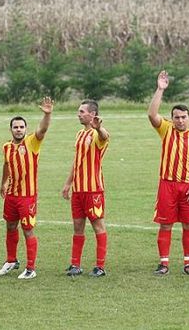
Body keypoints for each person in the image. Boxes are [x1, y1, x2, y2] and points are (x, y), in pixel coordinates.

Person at [148, 70, 189, 276]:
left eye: (183, 117)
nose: (180, 121)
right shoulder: (166, 129)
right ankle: (163, 263)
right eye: (176, 117)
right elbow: (152, 114)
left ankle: (188, 263)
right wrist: (160, 89)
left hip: (188, 187)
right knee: (165, 225)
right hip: (167, 184)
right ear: (172, 118)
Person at [0, 97, 53, 280]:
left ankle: (30, 268)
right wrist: (3, 182)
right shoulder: (6, 146)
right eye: (15, 127)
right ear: (11, 129)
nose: (19, 130)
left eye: (21, 127)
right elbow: (6, 165)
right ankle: (11, 260)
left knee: (27, 229)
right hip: (12, 194)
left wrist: (47, 114)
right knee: (10, 226)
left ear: (25, 129)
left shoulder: (32, 142)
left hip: (27, 195)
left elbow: (42, 130)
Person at [61, 100, 110, 277]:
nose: (78, 114)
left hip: (93, 190)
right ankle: (75, 264)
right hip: (78, 190)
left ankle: (100, 266)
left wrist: (98, 128)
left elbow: (104, 137)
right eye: (79, 111)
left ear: (93, 114)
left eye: (82, 111)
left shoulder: (98, 135)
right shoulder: (79, 134)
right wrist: (68, 183)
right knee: (77, 226)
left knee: (98, 226)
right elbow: (77, 161)